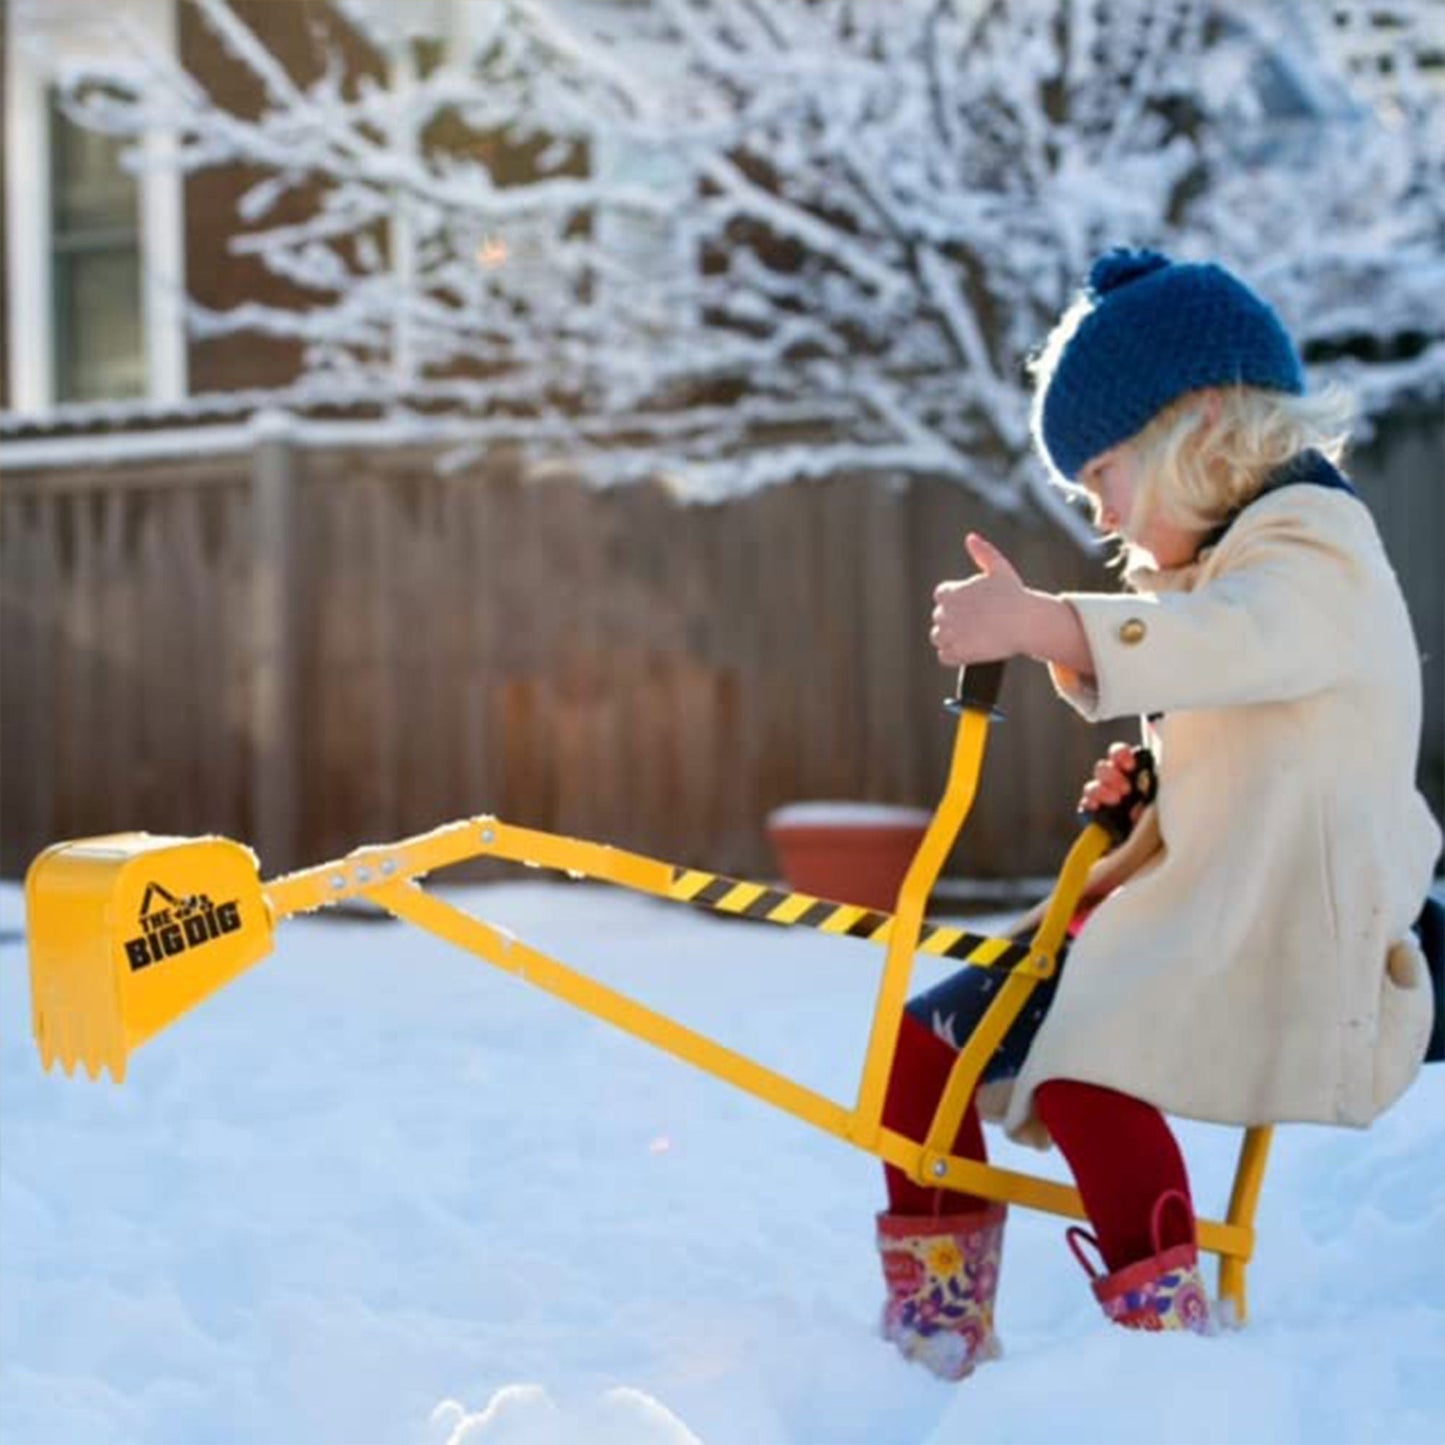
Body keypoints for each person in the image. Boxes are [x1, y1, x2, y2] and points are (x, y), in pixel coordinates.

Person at [874, 247, 1442, 1381]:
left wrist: (1044, 624)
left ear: (1200, 423)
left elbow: (1245, 641)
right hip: (1197, 916)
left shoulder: (1314, 544)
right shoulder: (1223, 569)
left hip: (1289, 930)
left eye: (1102, 477)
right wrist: (1149, 790)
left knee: (1088, 1066)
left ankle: (1164, 1350)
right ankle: (936, 1337)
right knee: (926, 1044)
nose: (1102, 517)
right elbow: (1242, 722)